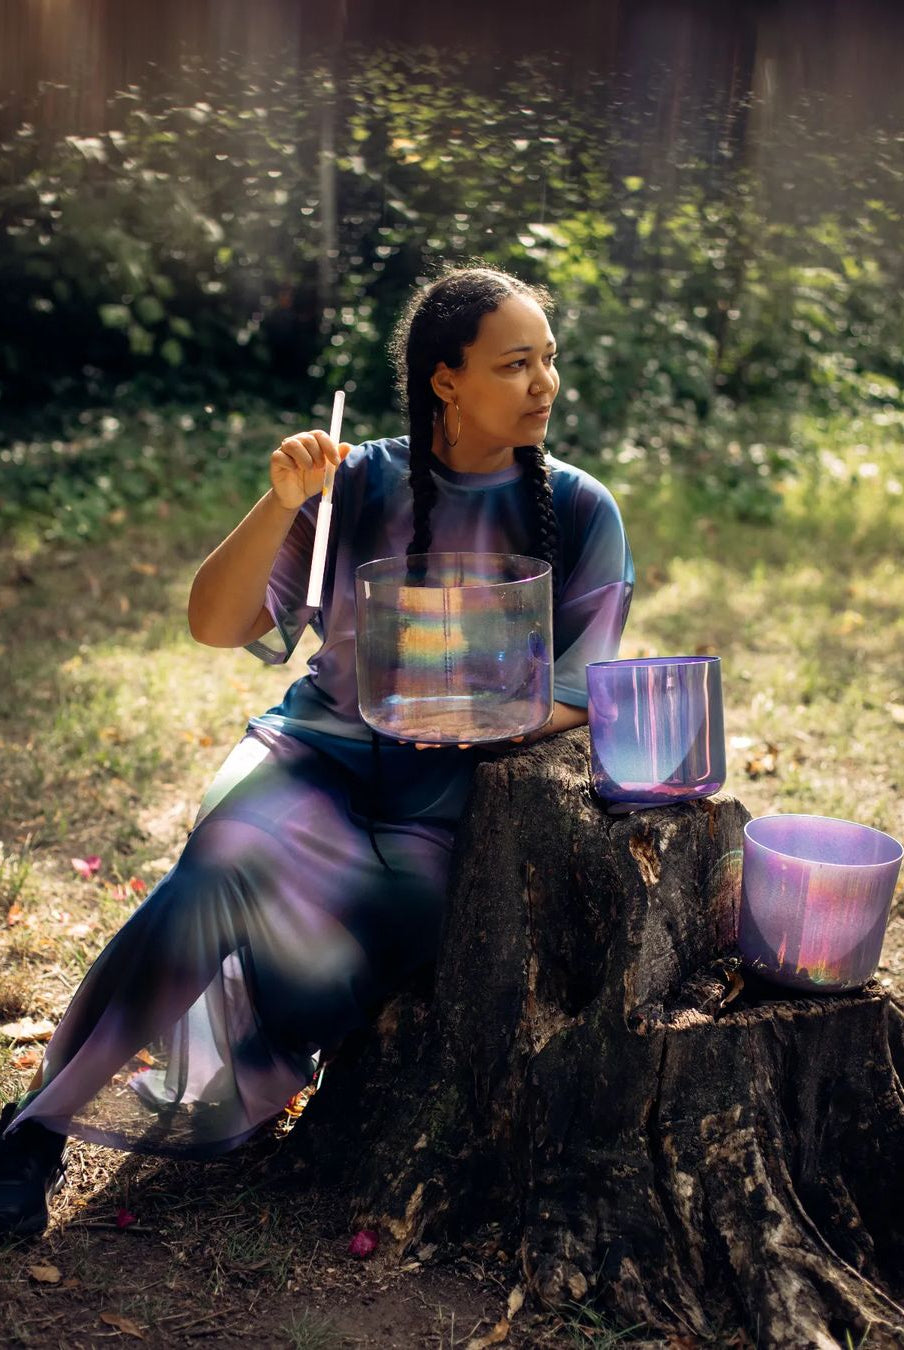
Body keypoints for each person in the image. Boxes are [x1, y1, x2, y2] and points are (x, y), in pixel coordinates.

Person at [0, 265, 634, 1236]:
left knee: (363, 940)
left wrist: (453, 710)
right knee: (218, 865)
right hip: (314, 755)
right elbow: (215, 625)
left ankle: (250, 1070)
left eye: (549, 358)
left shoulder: (583, 510)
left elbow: (576, 694)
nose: (545, 382)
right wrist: (284, 501)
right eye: (515, 363)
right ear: (445, 379)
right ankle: (36, 1129)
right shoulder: (361, 482)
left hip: (437, 806)